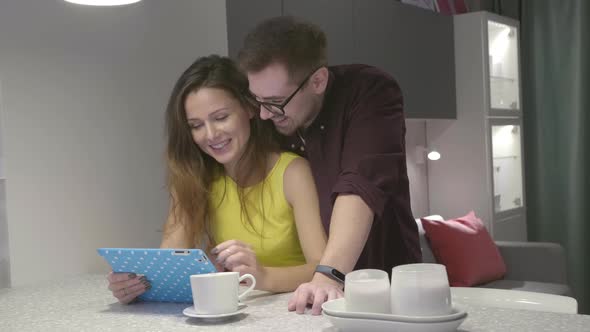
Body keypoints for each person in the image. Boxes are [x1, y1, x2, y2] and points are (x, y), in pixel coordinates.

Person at [237, 16, 422, 315]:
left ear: (318, 80)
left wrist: (329, 274)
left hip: (387, 283)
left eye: (275, 102)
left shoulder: (370, 90)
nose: (264, 115)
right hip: (309, 294)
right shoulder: (272, 115)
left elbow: (359, 185)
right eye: (257, 100)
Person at [106, 55, 327, 304]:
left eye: (221, 117)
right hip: (229, 313)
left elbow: (322, 268)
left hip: (292, 312)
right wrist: (136, 286)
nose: (210, 135)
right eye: (196, 125)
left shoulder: (293, 172)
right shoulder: (196, 177)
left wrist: (262, 276)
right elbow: (168, 261)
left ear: (250, 108)